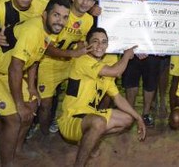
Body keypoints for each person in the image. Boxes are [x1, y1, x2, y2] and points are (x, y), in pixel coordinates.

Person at [0, 0, 70, 166]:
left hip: (3, 71)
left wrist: (31, 87)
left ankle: (17, 150)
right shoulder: (33, 30)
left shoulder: (50, 31)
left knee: (32, 103)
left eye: (65, 17)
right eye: (56, 15)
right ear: (44, 15)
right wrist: (19, 104)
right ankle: (6, 162)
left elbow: (35, 58)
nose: (60, 21)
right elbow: (16, 68)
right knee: (14, 118)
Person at [58, 27, 146, 167]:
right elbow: (116, 71)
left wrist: (138, 117)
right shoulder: (82, 60)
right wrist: (126, 56)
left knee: (128, 119)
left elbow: (118, 98)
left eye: (104, 42)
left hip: (90, 116)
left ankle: (89, 139)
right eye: (95, 41)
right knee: (98, 122)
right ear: (87, 44)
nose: (100, 45)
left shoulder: (103, 69)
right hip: (71, 119)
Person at [36, 0, 96, 136]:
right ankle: (43, 133)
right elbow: (44, 47)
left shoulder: (89, 20)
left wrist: (83, 53)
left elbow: (81, 42)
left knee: (77, 95)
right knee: (45, 104)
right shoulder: (61, 13)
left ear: (93, 3)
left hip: (70, 64)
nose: (85, 2)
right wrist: (72, 54)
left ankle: (65, 122)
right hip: (48, 62)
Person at [122, 0, 168, 126]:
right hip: (131, 41)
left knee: (150, 82)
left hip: (153, 44)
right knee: (130, 80)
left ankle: (146, 112)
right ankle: (130, 112)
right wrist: (134, 0)